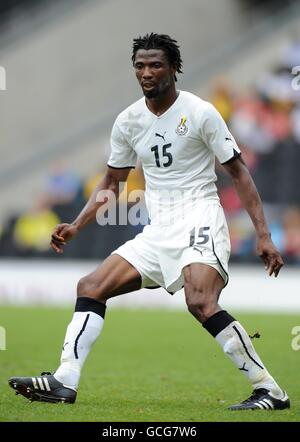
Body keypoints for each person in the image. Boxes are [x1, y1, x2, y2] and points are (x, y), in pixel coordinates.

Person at [9, 33, 289, 411]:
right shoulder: (128, 121)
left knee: (200, 301)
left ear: (174, 69)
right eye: (140, 66)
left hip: (200, 216)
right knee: (90, 286)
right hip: (159, 229)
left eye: (155, 64)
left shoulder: (200, 112)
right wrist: (77, 224)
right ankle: (64, 380)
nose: (146, 72)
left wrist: (263, 235)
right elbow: (112, 181)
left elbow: (240, 174)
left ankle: (269, 389)